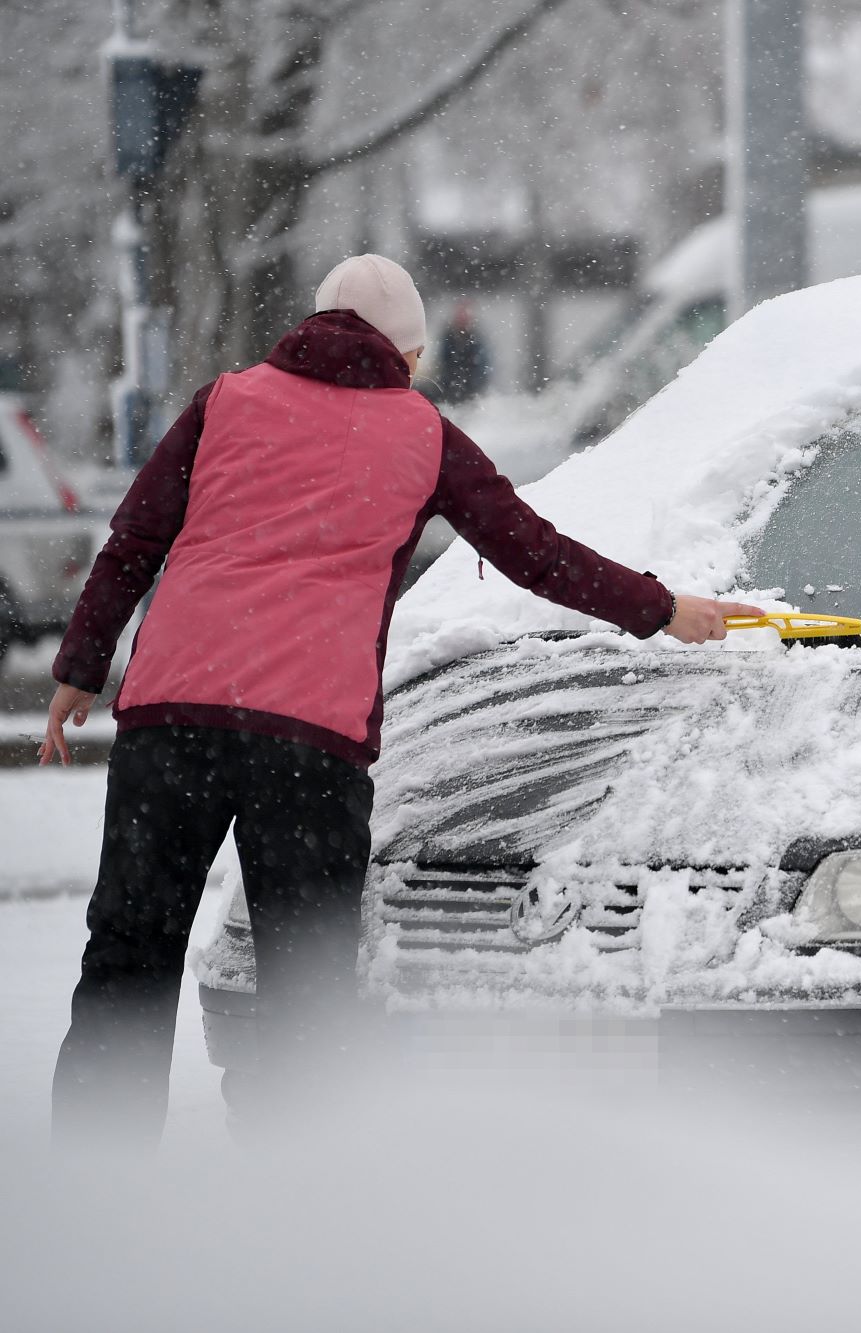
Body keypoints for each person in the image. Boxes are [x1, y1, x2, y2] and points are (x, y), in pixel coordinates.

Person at [41, 254, 761, 1146]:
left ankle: (91, 1187)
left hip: (172, 719)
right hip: (307, 743)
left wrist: (81, 662)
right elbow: (533, 552)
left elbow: (135, 535)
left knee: (125, 960)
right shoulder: (424, 434)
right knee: (307, 1001)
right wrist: (663, 609)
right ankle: (294, 1203)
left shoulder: (223, 400)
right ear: (409, 353)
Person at [431, 299, 492, 403]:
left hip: (470, 390)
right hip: (449, 388)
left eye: (465, 315)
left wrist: (473, 385)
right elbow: (441, 363)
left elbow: (482, 367)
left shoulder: (476, 339)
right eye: (460, 314)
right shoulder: (448, 338)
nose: (462, 318)